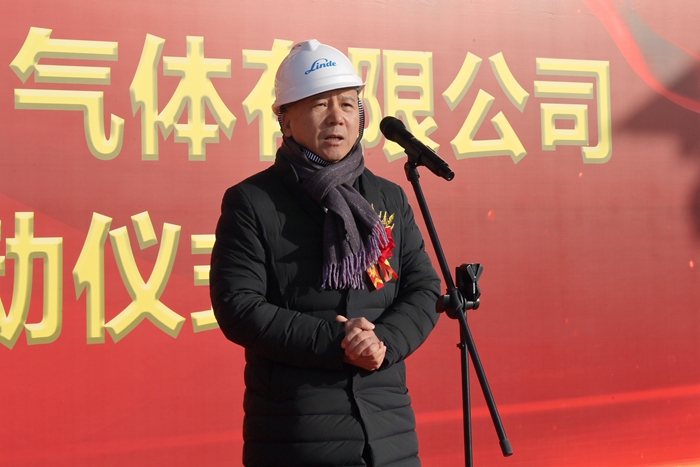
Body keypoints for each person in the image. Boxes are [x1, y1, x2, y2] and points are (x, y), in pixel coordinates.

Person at [210, 39, 441, 467]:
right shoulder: (253, 201)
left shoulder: (388, 197)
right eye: (319, 104)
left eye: (348, 105)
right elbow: (238, 306)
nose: (337, 117)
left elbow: (424, 287)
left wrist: (383, 342)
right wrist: (337, 342)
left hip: (388, 433)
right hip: (298, 435)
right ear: (285, 120)